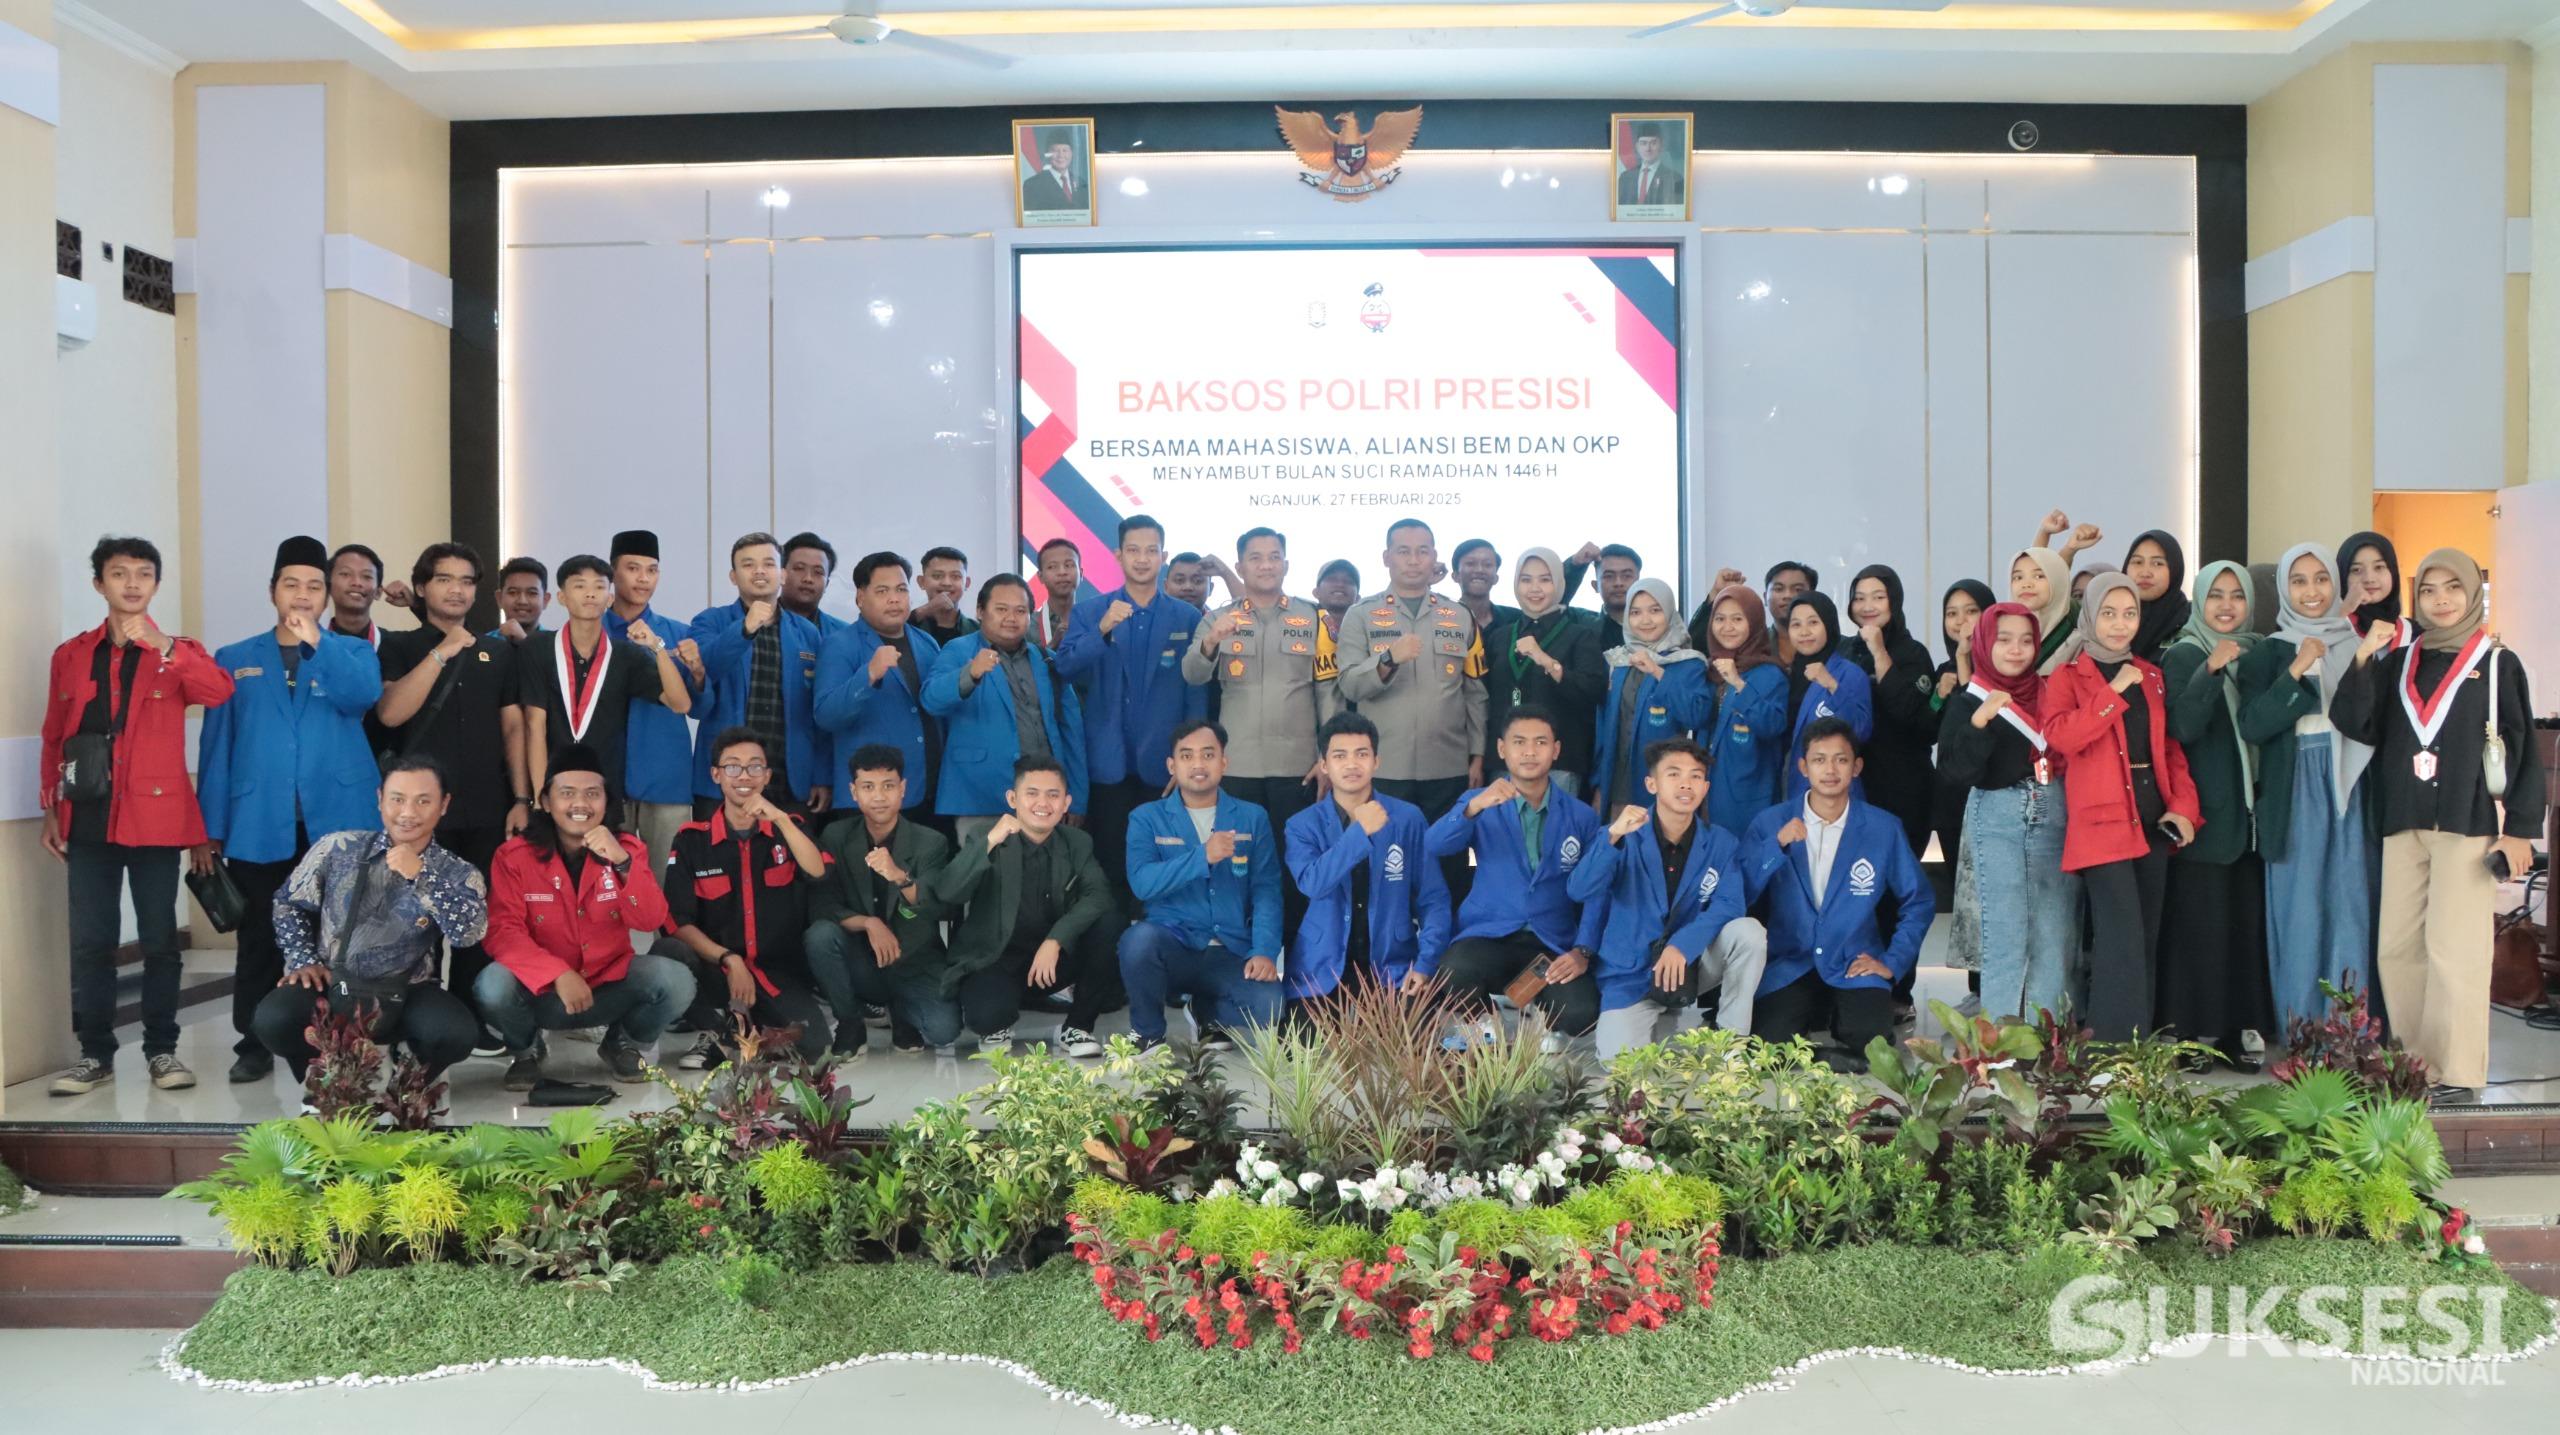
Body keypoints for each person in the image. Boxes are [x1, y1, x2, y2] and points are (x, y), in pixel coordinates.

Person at [2332, 549, 2543, 1100]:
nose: (2441, 599)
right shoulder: (2400, 662)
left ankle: (2458, 1072)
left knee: (2456, 950)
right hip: (2402, 818)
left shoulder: (2497, 664)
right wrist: (2363, 659)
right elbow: (2355, 722)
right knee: (2397, 948)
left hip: (2465, 822)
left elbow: (2522, 747)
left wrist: (2520, 828)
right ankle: (2413, 1066)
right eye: (2428, 590)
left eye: (2453, 587)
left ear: (2472, 593)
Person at [42, 536, 235, 1096]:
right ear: (98, 584)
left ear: (156, 584)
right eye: (119, 573)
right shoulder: (71, 655)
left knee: (158, 940)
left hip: (156, 818)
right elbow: (55, 737)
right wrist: (51, 808)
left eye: (143, 573)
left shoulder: (178, 651)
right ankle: (94, 1055)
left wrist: (165, 647)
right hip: (88, 815)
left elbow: (218, 692)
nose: (132, 583)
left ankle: (162, 1051)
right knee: (91, 942)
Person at [199, 536, 386, 1083]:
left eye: (313, 586)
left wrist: (317, 643)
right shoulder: (234, 658)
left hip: (339, 819)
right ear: (272, 592)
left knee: (341, 937)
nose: (302, 595)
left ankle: (341, 1037)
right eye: (291, 585)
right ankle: (253, 1041)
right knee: (258, 936)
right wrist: (209, 828)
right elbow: (217, 747)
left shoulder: (351, 652)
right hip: (259, 821)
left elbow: (360, 697)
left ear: (327, 596)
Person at [375, 542, 532, 1049]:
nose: (457, 590)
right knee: (413, 917)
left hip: (486, 804)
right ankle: (408, 1020)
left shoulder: (497, 651)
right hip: (419, 813)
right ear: (422, 588)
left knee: (475, 914)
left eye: (466, 581)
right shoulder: (400, 646)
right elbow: (391, 714)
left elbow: (513, 728)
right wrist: (442, 651)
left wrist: (521, 798)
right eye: (445, 579)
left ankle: (468, 1019)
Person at [250, 755, 490, 1082]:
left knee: (455, 1034)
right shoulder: (337, 848)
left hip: (407, 990)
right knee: (273, 1019)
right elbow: (287, 902)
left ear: (444, 804)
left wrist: (423, 876)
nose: (408, 813)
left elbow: (468, 934)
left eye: (423, 801)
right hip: (333, 982)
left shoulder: (458, 872)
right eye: (397, 799)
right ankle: (320, 1077)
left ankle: (406, 1079)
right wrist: (302, 959)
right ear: (379, 799)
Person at [477, 744, 693, 1087]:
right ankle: (527, 1051)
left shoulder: (627, 849)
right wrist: (557, 973)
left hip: (608, 986)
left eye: (592, 794)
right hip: (545, 992)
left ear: (606, 802)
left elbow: (651, 920)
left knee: (676, 981)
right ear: (546, 802)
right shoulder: (514, 856)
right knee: (492, 985)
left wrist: (623, 864)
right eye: (567, 793)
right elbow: (502, 932)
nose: (580, 804)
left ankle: (622, 1044)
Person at [2044, 574, 2201, 1040]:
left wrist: (2184, 807)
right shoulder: (2067, 676)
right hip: (2101, 819)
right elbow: (2062, 737)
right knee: (2120, 937)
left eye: (2129, 614)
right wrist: (2111, 694)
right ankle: (2110, 1049)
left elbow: (2169, 749)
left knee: (2146, 934)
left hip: (2152, 816)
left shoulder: (2150, 674)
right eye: (2109, 614)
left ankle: (2139, 1045)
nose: (2120, 624)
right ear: (2090, 616)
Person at [2238, 544, 2379, 1029]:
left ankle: (2350, 1029)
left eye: (2321, 579)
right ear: (2283, 589)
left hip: (2350, 786)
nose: (2312, 590)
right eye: (2298, 581)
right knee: (2300, 907)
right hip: (2295, 785)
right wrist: (2296, 669)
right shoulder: (2268, 651)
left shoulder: (2357, 644)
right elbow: (2253, 725)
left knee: (2349, 903)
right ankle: (2300, 1029)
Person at [1741, 717, 1936, 1068]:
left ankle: (1833, 1033)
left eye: (1841, 759)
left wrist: (1891, 963)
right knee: (1769, 1051)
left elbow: (1919, 900)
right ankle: (1822, 1037)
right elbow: (1741, 891)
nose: (1830, 770)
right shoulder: (1770, 823)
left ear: (1856, 767)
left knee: (1872, 1047)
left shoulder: (1882, 827)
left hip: (1854, 962)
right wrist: (1776, 846)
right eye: (1819, 760)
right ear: (1803, 767)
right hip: (1791, 962)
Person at [1572, 738, 1768, 1059]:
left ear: (1705, 788)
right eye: (1674, 774)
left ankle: (1729, 1047)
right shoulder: (1623, 834)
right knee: (1620, 1065)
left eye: (1695, 776)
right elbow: (1579, 889)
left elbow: (1730, 904)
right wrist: (1613, 836)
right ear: (1652, 784)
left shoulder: (1721, 842)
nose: (1685, 784)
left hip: (1690, 966)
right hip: (1632, 975)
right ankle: (1663, 1021)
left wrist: (1681, 945)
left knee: (1749, 933)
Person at [1422, 708, 1607, 1044]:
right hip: (1489, 934)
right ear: (1502, 749)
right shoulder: (1478, 802)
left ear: (1556, 750)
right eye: (1519, 742)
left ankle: (1538, 1017)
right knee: (1453, 971)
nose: (1530, 752)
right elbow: (1434, 844)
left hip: (1551, 941)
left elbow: (1597, 889)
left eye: (1541, 742)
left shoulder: (1580, 816)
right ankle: (1486, 1021)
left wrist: (1583, 951)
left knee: (1581, 1013)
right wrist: (1474, 807)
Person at [1182, 527, 1331, 939]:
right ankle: (1240, 958)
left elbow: (1327, 691)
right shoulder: (1218, 618)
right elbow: (1192, 674)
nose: (1266, 565)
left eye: (1274, 557)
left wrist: (1326, 757)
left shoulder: (1313, 618)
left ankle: (1300, 960)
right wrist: (1212, 641)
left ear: (1286, 564)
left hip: (1297, 767)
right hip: (1238, 768)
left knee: (1295, 868)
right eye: (1256, 557)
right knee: (1237, 868)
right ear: (1240, 566)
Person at [1052, 513, 1205, 901]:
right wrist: (1101, 630)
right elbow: (1064, 669)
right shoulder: (1090, 612)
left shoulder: (1187, 617)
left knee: (1167, 865)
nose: (1142, 559)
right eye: (1133, 550)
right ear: (1118, 555)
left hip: (1165, 765)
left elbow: (1196, 693)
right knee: (1111, 868)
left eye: (1151, 551)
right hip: (1108, 763)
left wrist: (1189, 758)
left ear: (1163, 556)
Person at [658, 727, 833, 1068]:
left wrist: (780, 819)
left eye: (754, 766)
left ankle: (739, 1033)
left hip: (776, 972)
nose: (744, 776)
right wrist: (729, 960)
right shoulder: (692, 840)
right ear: (716, 775)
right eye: (733, 767)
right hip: (717, 971)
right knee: (669, 951)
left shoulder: (789, 827)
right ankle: (718, 1030)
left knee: (815, 1047)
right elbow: (676, 921)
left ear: (766, 776)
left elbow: (818, 871)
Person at [2160, 561, 2275, 1070]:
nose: (2227, 606)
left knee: (2241, 931)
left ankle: (2233, 1032)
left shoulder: (2257, 652)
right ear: (2199, 601)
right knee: (2199, 931)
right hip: (2204, 818)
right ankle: (2191, 1035)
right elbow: (2182, 727)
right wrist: (2210, 671)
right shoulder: (2184, 653)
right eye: (2216, 596)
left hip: (2249, 820)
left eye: (2237, 595)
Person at [931, 756, 1126, 1053]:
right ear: (1013, 799)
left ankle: (1077, 1027)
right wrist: (989, 843)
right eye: (1032, 793)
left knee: (1110, 921)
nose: (1043, 803)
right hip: (995, 959)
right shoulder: (985, 835)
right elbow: (947, 891)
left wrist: (1055, 939)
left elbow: (1098, 895)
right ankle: (1004, 1014)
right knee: (987, 1016)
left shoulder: (1076, 841)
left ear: (1066, 803)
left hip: (1052, 961)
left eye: (1053, 795)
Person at [1334, 518, 1488, 894]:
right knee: (1386, 870)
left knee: (1449, 869)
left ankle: (1445, 934)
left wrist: (1478, 753)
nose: (1414, 560)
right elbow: (1349, 683)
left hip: (1447, 766)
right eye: (1404, 551)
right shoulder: (1361, 614)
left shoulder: (1459, 615)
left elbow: (1474, 692)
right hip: (1386, 767)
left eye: (1422, 551)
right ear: (1386, 557)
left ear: (1434, 557)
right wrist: (1388, 659)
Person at [1937, 604, 2071, 1023]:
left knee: (2055, 935)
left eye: (2026, 640)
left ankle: (2048, 1040)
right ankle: (2000, 1043)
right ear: (1984, 643)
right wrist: (1979, 722)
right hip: (1998, 817)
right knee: (2005, 935)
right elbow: (1953, 772)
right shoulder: (1969, 700)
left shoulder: (2051, 692)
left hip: (2055, 811)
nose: (2016, 649)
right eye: (2004, 639)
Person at [1118, 720, 1285, 1049]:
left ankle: (1207, 1013)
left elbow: (1266, 890)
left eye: (1208, 755)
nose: (1198, 764)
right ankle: (1148, 1033)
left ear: (1224, 763)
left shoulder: (1252, 817)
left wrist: (1264, 951)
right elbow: (1142, 883)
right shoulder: (1146, 817)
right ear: (1172, 765)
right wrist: (1202, 857)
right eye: (1187, 756)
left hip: (1230, 951)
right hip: (1175, 945)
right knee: (1137, 942)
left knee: (1272, 1007)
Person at [1281, 712, 1451, 1004]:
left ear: (1376, 761)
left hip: (1393, 968)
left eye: (1362, 754)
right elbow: (1313, 884)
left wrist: (1425, 964)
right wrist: (1360, 832)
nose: (1351, 764)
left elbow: (1433, 898)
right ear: (1324, 765)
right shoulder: (1301, 825)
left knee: (1413, 1031)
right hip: (1321, 970)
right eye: (1340, 756)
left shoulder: (1407, 818)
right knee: (1304, 1035)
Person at [804, 744, 955, 1058]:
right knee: (820, 935)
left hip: (914, 961)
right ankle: (850, 1023)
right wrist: (869, 923)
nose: (879, 796)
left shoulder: (931, 841)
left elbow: (936, 906)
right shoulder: (835, 836)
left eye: (888, 786)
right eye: (868, 787)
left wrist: (900, 876)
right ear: (853, 792)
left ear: (903, 789)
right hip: (863, 960)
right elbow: (823, 905)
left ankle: (902, 1013)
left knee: (944, 1030)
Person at [518, 554, 690, 816]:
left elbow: (680, 704)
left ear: (609, 599)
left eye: (599, 587)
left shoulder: (625, 655)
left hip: (604, 794)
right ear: (562, 597)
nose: (590, 594)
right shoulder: (538, 647)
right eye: (579, 586)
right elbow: (534, 725)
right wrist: (542, 798)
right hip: (555, 789)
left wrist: (657, 647)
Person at [920, 574, 1086, 845]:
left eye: (1020, 610)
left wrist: (1076, 796)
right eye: (1001, 609)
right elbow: (930, 700)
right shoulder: (959, 650)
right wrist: (970, 673)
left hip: (1042, 798)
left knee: (1041, 870)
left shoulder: (1046, 659)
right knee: (983, 870)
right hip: (979, 795)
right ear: (980, 611)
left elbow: (1071, 730)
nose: (1011, 617)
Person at [687, 532, 829, 814]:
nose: (759, 571)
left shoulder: (807, 632)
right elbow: (704, 673)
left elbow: (818, 707)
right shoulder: (710, 621)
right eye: (748, 564)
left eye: (768, 563)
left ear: (783, 574)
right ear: (733, 576)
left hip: (789, 777)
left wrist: (821, 775)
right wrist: (744, 629)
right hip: (723, 780)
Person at [814, 551, 944, 819]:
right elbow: (826, 716)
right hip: (869, 801)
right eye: (882, 591)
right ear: (860, 598)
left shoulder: (927, 643)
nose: (894, 598)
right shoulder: (839, 645)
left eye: (901, 589)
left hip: (927, 791)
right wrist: (869, 675)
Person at [605, 529, 703, 864]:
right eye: (633, 568)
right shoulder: (590, 631)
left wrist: (698, 671)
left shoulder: (678, 634)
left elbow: (696, 705)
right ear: (613, 572)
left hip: (665, 778)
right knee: (606, 882)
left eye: (652, 570)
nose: (643, 579)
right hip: (604, 781)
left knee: (668, 880)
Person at [1481, 547, 1608, 797]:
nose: (1535, 588)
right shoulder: (1500, 636)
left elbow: (1594, 692)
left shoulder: (1580, 635)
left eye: (1545, 580)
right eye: (1526, 580)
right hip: (1504, 760)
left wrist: (1548, 662)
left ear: (1559, 583)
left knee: (1554, 823)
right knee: (1504, 823)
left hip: (1560, 760)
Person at [1590, 578, 1710, 816]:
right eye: (1635, 612)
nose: (1645, 620)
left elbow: (1695, 716)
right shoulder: (1618, 661)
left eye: (1655, 610)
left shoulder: (1688, 663)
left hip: (1666, 787)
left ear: (1669, 613)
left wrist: (1658, 672)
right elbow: (1603, 727)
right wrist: (1598, 783)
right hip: (1616, 786)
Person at [1845, 564, 1939, 858]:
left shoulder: (1913, 653)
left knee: (1898, 870)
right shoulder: (1845, 650)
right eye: (1859, 598)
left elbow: (1907, 712)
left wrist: (1879, 652)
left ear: (1894, 601)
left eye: (1878, 597)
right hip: (1856, 783)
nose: (1867, 606)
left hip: (1904, 786)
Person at [1695, 584, 1790, 838]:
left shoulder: (1771, 674)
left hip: (1749, 796)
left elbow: (1772, 726)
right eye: (1720, 619)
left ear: (1754, 623)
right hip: (1704, 792)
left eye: (1737, 619)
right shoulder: (1711, 670)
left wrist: (1738, 684)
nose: (1727, 627)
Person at [1930, 579, 1999, 882]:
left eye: (1971, 611)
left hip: (1989, 790)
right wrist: (1938, 696)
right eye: (1952, 613)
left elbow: (1977, 708)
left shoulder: (2003, 667)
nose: (1961, 621)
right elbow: (1928, 727)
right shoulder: (1943, 671)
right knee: (1958, 882)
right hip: (1950, 795)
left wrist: (1963, 660)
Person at [1781, 592, 1872, 802]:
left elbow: (1861, 729)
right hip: (1794, 787)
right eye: (1796, 624)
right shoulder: (1788, 674)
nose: (1804, 632)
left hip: (1836, 790)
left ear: (1829, 625)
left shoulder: (1850, 673)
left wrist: (1832, 685)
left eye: (1813, 622)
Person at [2121, 530, 2191, 664]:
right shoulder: (2111, 618)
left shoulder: (2191, 623)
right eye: (2138, 562)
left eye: (2157, 563)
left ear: (2175, 569)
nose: (2145, 573)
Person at [2337, 531, 2413, 655]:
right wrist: (2344, 610)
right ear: (2343, 576)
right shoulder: (2328, 629)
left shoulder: (2414, 633)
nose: (2369, 578)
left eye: (2379, 567)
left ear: (2393, 572)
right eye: (2356, 570)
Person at [2009, 546, 2079, 673]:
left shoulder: (2078, 641)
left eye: (2038, 576)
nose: (2026, 584)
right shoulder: (2001, 637)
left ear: (2056, 581)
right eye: (2018, 577)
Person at [1559, 542, 1641, 648]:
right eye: (1609, 576)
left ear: (1640, 583)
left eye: (1626, 576)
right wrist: (1574, 566)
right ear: (1595, 585)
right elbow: (1548, 607)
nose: (1618, 583)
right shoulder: (1581, 623)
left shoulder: (1657, 625)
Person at [1449, 538, 1519, 640]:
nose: (1479, 570)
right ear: (1455, 576)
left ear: (1496, 578)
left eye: (1487, 564)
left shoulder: (1516, 619)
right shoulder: (1442, 620)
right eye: (1470, 563)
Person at [782, 531, 848, 637]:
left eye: (818, 572)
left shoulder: (844, 635)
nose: (808, 579)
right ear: (781, 575)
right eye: (799, 568)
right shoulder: (757, 625)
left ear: (827, 583)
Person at [913, 545, 980, 647]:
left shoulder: (979, 632)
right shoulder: (907, 628)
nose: (946, 583)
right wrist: (924, 610)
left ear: (967, 583)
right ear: (922, 582)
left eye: (955, 576)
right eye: (937, 576)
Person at [327, 543, 390, 649]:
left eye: (367, 576)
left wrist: (414, 604)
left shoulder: (398, 647)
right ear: (328, 586)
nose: (356, 582)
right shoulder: (311, 648)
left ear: (378, 592)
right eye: (345, 574)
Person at [1617, 123, 1684, 209]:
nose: (1648, 149)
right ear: (1637, 147)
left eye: (1653, 143)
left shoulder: (1675, 178)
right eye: (1643, 143)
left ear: (1661, 146)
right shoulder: (1625, 177)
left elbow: (1677, 211)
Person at [1034, 537, 1081, 649]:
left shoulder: (1094, 622)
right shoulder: (1028, 625)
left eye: (1068, 565)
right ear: (1040, 577)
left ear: (1081, 573)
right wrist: (1053, 645)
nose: (1062, 572)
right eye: (1052, 567)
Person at [492, 557, 552, 643]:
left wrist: (524, 641)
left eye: (532, 593)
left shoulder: (556, 646)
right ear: (499, 598)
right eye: (513, 592)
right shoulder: (483, 645)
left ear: (545, 600)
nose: (522, 601)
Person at [1022, 130, 1085, 211]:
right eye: (1055, 151)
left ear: (1071, 153)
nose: (1061, 155)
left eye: (1065, 150)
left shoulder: (1081, 183)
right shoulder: (1032, 185)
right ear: (1048, 154)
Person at [1313, 559, 1360, 640]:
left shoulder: (1367, 631)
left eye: (1348, 581)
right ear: (1316, 592)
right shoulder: (1300, 627)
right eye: (1331, 579)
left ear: (1357, 598)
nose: (1340, 584)